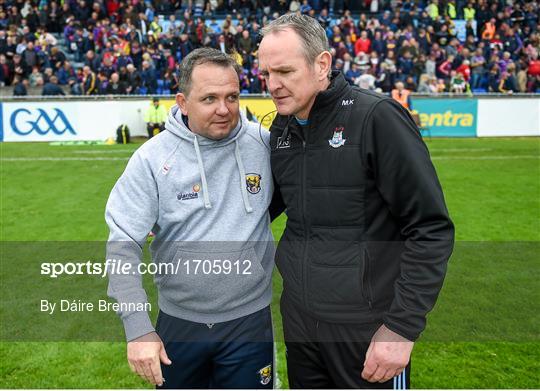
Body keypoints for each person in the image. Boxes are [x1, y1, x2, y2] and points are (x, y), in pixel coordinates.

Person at [258, 14, 454, 389]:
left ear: (322, 64)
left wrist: (401, 327)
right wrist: (177, 217)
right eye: (266, 74)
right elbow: (261, 204)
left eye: (284, 71)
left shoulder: (376, 117)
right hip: (301, 324)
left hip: (366, 328)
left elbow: (430, 229)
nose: (273, 85)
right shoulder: (281, 128)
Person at [105, 48, 276, 389]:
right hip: (179, 323)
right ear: (183, 102)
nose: (224, 109)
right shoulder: (151, 159)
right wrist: (138, 327)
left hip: (249, 322)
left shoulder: (264, 144)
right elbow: (123, 246)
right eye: (209, 98)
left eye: (232, 96)